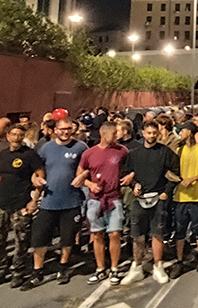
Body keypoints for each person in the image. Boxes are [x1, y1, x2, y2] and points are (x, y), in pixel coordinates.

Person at [28, 118, 86, 288]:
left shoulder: (81, 147)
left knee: (67, 239)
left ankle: (63, 267)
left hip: (71, 201)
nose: (65, 132)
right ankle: (37, 271)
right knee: (40, 239)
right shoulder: (46, 148)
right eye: (62, 129)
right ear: (56, 130)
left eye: (68, 129)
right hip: (48, 201)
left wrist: (83, 176)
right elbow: (37, 172)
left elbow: (89, 167)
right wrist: (36, 180)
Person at [120, 120, 180, 285]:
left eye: (155, 133)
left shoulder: (165, 152)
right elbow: (128, 173)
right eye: (149, 133)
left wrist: (166, 192)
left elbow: (176, 173)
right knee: (137, 236)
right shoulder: (134, 154)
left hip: (158, 198)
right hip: (139, 199)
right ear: (143, 133)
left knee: (157, 234)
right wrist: (134, 185)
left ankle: (158, 266)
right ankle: (137, 267)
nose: (152, 136)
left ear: (158, 134)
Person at [0, 125, 42, 289]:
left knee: (21, 241)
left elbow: (40, 176)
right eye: (13, 134)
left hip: (21, 204)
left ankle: (18, 272)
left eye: (20, 135)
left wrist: (33, 201)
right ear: (8, 136)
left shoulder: (30, 155)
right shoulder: (2, 154)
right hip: (1, 203)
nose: (16, 137)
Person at [78, 121, 128, 286]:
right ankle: (100, 268)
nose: (117, 137)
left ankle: (114, 267)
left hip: (114, 199)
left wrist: (130, 177)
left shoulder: (121, 151)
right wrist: (91, 184)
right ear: (103, 134)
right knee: (97, 235)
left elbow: (131, 168)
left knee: (115, 234)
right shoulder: (89, 153)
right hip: (95, 200)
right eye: (114, 134)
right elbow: (80, 176)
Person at [169, 122, 198, 278]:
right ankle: (179, 261)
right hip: (181, 197)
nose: (180, 133)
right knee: (180, 232)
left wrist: (194, 178)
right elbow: (168, 172)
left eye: (182, 130)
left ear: (189, 132)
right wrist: (179, 180)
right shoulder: (178, 151)